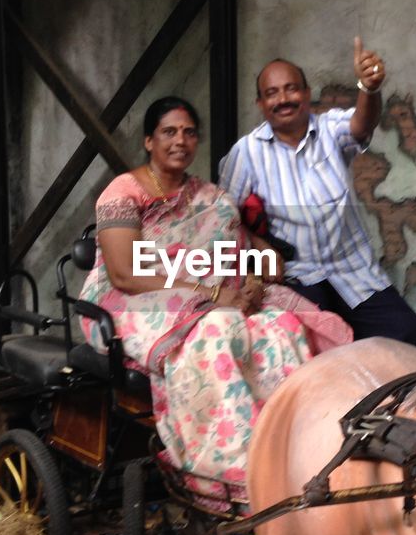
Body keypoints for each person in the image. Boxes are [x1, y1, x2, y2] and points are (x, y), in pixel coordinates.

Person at [77, 97, 350, 496]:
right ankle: (229, 474)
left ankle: (291, 457)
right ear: (149, 141)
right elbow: (124, 273)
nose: (180, 141)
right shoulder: (122, 192)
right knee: (218, 327)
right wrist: (211, 295)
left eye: (189, 133)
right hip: (133, 297)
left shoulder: (211, 198)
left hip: (208, 295)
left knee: (280, 325)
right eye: (169, 132)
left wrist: (253, 281)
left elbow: (242, 255)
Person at [219, 39, 416, 348]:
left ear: (305, 94)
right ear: (260, 104)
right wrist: (259, 246)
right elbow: (226, 218)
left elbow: (361, 125)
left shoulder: (330, 130)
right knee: (314, 350)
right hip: (297, 278)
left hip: (353, 271)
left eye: (291, 89)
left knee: (407, 334)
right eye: (271, 93)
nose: (283, 99)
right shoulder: (245, 153)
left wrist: (369, 88)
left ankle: (372, 396)